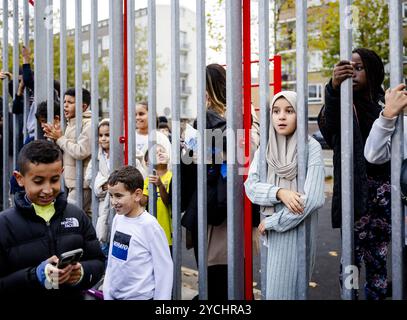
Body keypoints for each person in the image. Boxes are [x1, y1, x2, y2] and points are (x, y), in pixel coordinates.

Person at [318, 48, 391, 300]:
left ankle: (377, 294)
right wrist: (333, 87)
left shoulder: (384, 101)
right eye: (349, 66)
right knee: (351, 257)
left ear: (373, 71)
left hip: (383, 194)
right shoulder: (342, 102)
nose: (352, 72)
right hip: (355, 193)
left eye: (358, 67)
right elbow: (328, 126)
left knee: (379, 257)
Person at [244, 91, 325, 299]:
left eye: (289, 111)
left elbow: (313, 198)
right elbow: (250, 186)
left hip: (297, 231)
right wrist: (279, 193)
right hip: (271, 236)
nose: (281, 117)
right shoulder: (266, 148)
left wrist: (273, 222)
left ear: (300, 114)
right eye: (276, 111)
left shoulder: (310, 147)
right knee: (271, 291)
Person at [0, 140, 105, 299]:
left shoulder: (77, 215)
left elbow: (98, 262)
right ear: (20, 179)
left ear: (61, 173)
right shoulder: (4, 224)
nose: (48, 189)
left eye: (54, 180)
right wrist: (36, 275)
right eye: (38, 181)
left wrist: (82, 272)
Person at [180, 63, 229, 299]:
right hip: (228, 206)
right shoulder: (240, 116)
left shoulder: (209, 119)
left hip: (211, 208)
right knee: (224, 277)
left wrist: (189, 151)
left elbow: (192, 167)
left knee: (212, 278)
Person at [103, 166, 173, 300]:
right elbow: (113, 260)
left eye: (118, 196)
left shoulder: (150, 226)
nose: (113, 202)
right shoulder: (118, 219)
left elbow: (164, 270)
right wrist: (108, 292)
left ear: (137, 195)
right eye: (111, 196)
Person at [42, 88, 92, 216]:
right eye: (64, 101)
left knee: (69, 217)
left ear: (83, 106)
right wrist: (53, 137)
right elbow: (62, 149)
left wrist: (60, 138)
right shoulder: (69, 124)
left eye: (70, 102)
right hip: (69, 183)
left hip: (82, 184)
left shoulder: (88, 124)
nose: (65, 105)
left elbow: (81, 152)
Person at [84, 119, 111, 257]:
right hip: (103, 202)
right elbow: (89, 178)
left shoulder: (127, 152)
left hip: (122, 201)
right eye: (100, 135)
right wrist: (102, 185)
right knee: (104, 231)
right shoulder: (97, 157)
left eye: (107, 134)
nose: (103, 138)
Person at [141, 144, 173, 251]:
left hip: (168, 230)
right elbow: (143, 202)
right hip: (152, 230)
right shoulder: (147, 180)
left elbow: (168, 201)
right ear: (147, 163)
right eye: (155, 153)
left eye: (162, 151)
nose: (159, 153)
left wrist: (160, 185)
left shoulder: (172, 176)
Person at [135, 101, 172, 177]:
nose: (137, 117)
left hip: (154, 184)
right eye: (135, 115)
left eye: (141, 114)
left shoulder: (161, 138)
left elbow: (169, 163)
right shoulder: (130, 137)